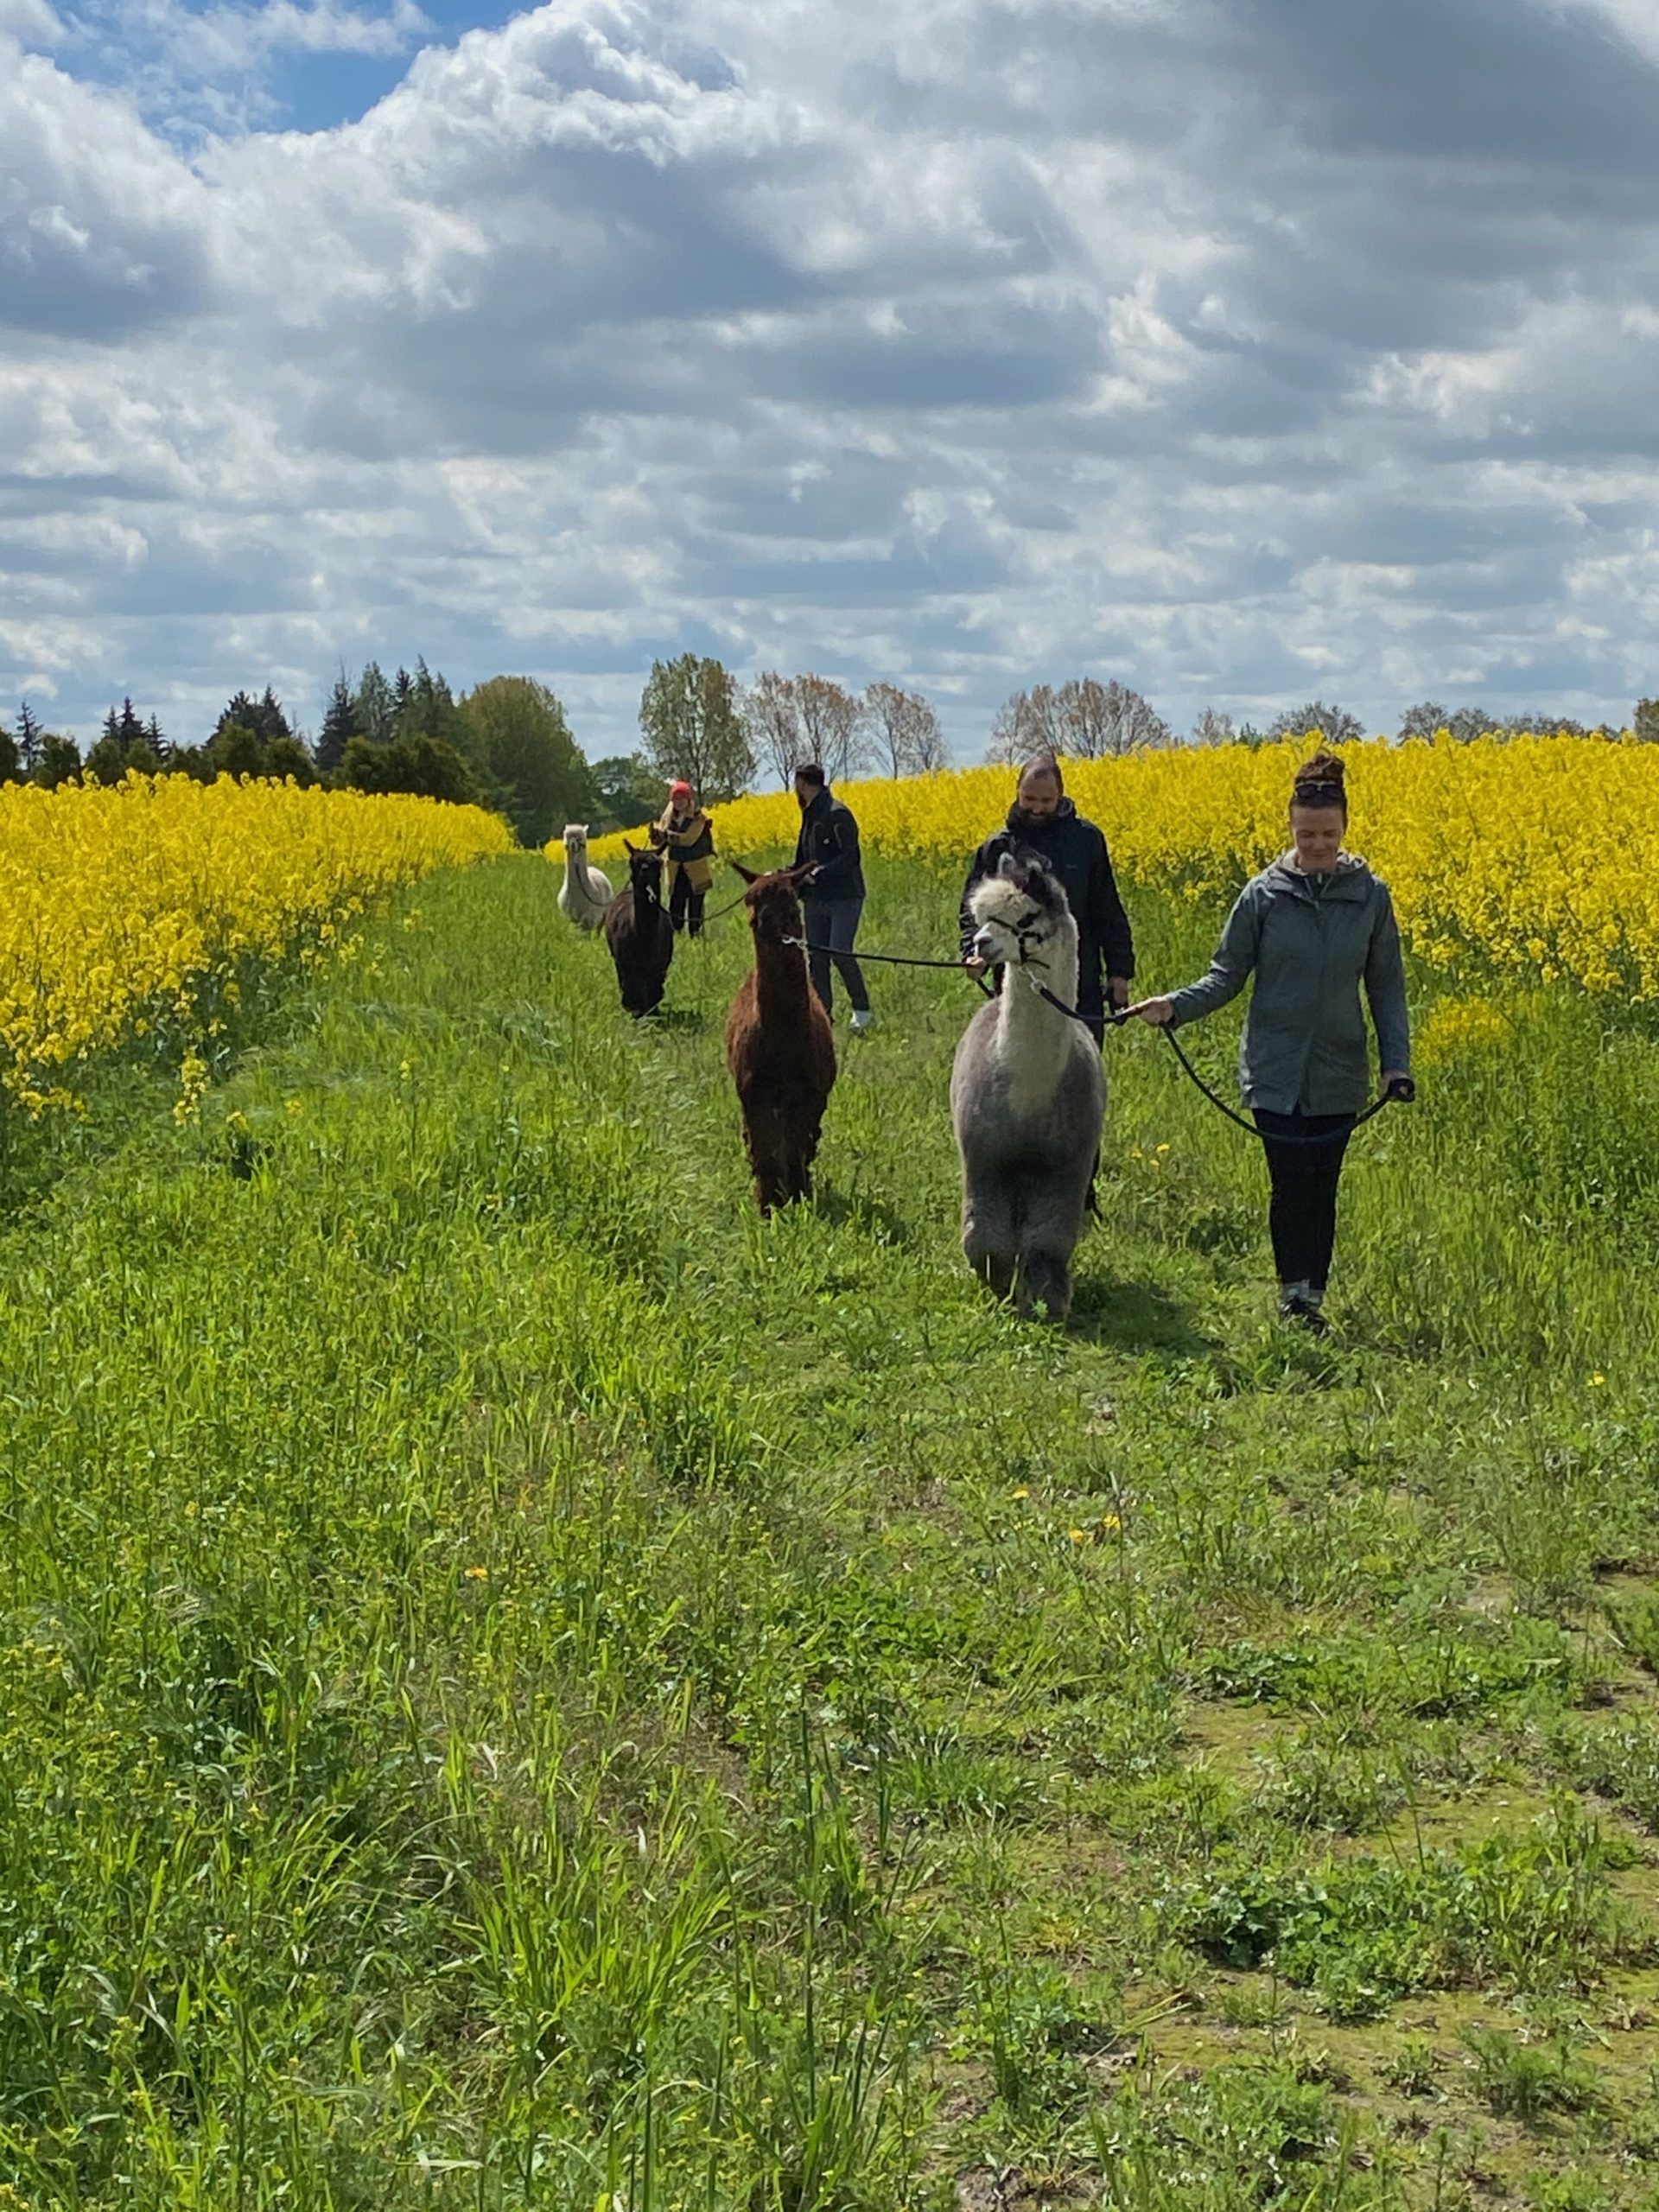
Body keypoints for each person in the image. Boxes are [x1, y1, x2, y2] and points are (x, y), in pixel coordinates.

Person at [1127, 750, 1413, 1331]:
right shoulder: (1263, 895)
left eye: (1329, 834)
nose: (1318, 845)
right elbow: (1226, 976)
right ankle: (1293, 1297)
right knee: (1289, 1181)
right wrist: (1174, 1007)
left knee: (1323, 1185)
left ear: (1346, 828)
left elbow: (1386, 988)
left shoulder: (1370, 897)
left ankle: (1312, 1295)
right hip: (1274, 1070)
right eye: (1307, 834)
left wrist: (1395, 1065)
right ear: (1290, 828)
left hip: (1339, 1069)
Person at [959, 753, 1135, 1041]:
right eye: (1029, 799)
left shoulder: (1086, 841)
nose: (1037, 809)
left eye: (1046, 801)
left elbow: (1107, 909)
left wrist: (1119, 973)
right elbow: (971, 911)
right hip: (1016, 983)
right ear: (1017, 793)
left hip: (1079, 980)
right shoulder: (997, 847)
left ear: (1060, 796)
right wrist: (972, 952)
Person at [791, 761, 873, 1032]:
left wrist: (821, 874)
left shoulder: (838, 814)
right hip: (815, 899)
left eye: (797, 784)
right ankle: (822, 1014)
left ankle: (862, 1009)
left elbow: (851, 857)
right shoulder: (809, 815)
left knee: (840, 952)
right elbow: (802, 859)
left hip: (845, 898)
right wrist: (784, 876)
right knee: (816, 957)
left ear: (802, 784)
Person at [651, 779, 715, 936]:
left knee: (696, 905)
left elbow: (688, 839)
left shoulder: (698, 818)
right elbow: (661, 842)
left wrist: (665, 835)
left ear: (688, 799)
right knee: (676, 904)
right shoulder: (668, 818)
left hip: (695, 868)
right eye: (675, 799)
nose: (679, 802)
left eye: (682, 798)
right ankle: (675, 934)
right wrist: (655, 836)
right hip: (676, 868)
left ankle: (696, 934)